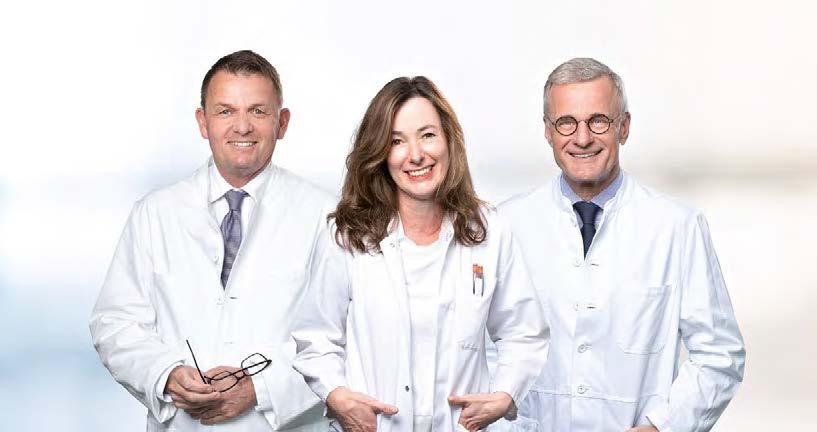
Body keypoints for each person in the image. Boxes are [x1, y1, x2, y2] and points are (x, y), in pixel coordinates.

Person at [498, 58, 746, 431]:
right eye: (566, 123)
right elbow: (483, 348)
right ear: (548, 131)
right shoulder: (506, 224)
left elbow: (719, 356)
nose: (582, 138)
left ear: (624, 127)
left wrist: (662, 427)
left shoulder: (677, 227)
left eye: (599, 121)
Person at [89, 50, 332, 432]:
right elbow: (115, 324)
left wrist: (262, 389)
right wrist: (166, 375)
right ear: (203, 122)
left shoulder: (327, 216)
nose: (242, 127)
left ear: (282, 122)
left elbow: (346, 336)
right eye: (225, 111)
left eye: (257, 111)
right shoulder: (156, 213)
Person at [291, 76, 549, 432]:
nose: (415, 155)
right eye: (396, 141)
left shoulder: (489, 230)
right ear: (380, 153)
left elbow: (523, 333)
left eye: (427, 135)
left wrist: (505, 394)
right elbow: (316, 337)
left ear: (448, 140)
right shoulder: (348, 235)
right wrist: (338, 396)